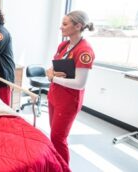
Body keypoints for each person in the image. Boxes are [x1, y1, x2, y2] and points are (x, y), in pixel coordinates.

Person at [45, 10, 95, 165]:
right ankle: (55, 165)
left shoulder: (84, 51)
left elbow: (80, 83)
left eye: (65, 24)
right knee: (53, 134)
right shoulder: (63, 45)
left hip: (68, 101)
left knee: (58, 138)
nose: (61, 27)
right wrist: (50, 71)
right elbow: (55, 66)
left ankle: (63, 168)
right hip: (55, 96)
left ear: (78, 26)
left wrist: (54, 77)